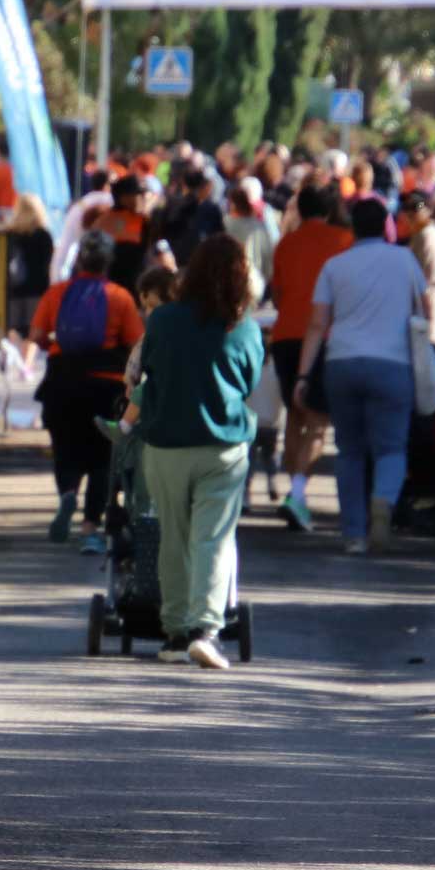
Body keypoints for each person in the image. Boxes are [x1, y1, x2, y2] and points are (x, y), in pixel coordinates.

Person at [130, 235, 264, 671]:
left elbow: (146, 369)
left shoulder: (164, 319)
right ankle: (205, 629)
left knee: (174, 535)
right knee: (213, 537)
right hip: (223, 445)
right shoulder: (242, 325)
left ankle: (173, 632)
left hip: (166, 442)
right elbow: (248, 383)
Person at [292, 197, 429, 554]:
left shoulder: (334, 266)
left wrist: (303, 376)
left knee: (349, 451)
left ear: (353, 227)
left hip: (342, 364)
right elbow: (424, 311)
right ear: (386, 225)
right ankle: (382, 501)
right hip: (392, 364)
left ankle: (353, 533)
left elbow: (317, 323)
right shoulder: (404, 259)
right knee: (390, 448)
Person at [26, 229, 145, 553]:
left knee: (65, 447)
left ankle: (67, 493)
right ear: (108, 262)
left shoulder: (57, 293)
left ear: (78, 260)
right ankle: (90, 527)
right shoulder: (120, 297)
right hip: (105, 385)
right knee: (101, 458)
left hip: (62, 382)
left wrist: (57, 344)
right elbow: (137, 344)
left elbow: (36, 336)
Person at [264, 188, 352, 531]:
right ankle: (297, 493)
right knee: (317, 419)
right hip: (323, 335)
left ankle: (293, 488)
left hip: (286, 334)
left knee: (294, 413)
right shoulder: (344, 239)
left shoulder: (286, 243)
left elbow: (279, 293)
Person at [402, 192, 435, 347]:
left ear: (429, 210)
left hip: (430, 306)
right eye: (408, 208)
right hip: (421, 306)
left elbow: (426, 280)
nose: (411, 213)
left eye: (417, 207)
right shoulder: (420, 234)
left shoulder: (429, 236)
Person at [2, 192, 57, 338]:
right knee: (33, 333)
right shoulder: (44, 235)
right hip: (37, 291)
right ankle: (27, 360)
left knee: (12, 331)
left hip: (13, 290)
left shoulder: (9, 234)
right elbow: (47, 264)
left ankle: (16, 358)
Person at [225, 176, 282, 304]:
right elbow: (271, 254)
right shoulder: (260, 224)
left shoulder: (224, 224)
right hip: (255, 286)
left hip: (228, 285)